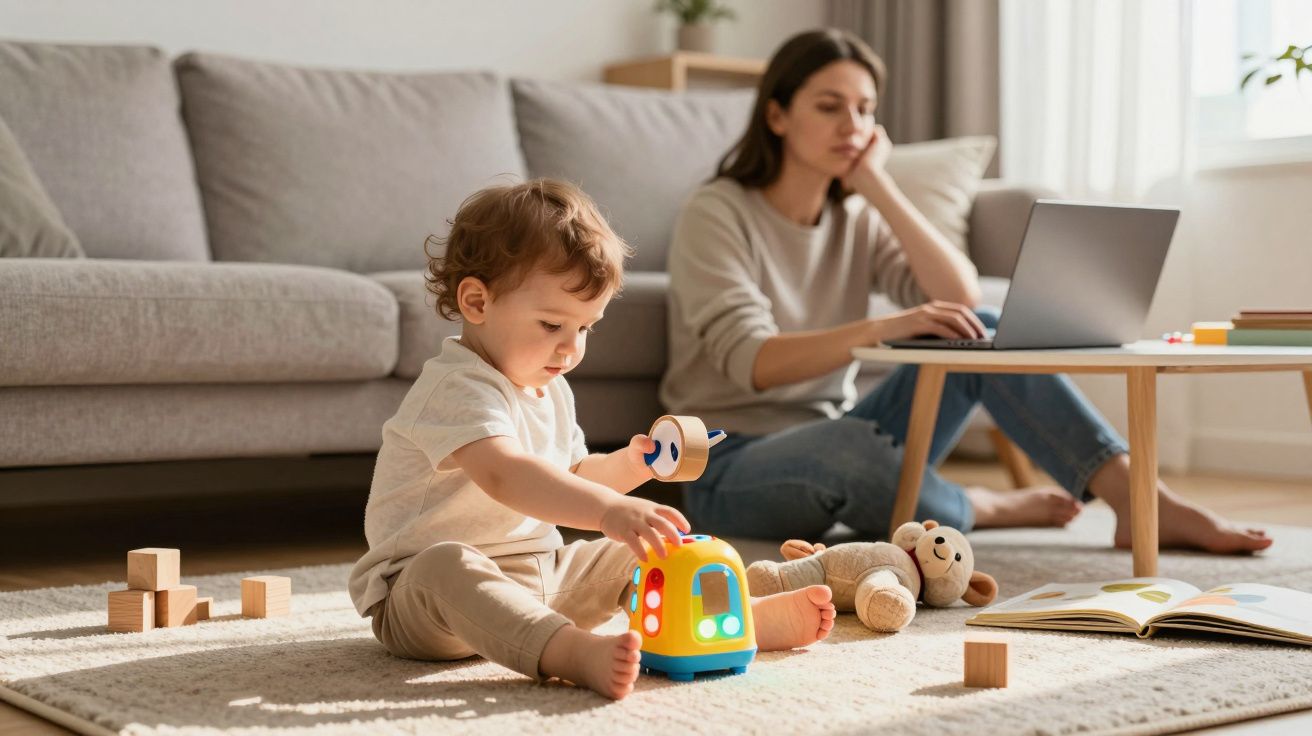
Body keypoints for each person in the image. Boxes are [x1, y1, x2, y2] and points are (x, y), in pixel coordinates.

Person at [661, 29, 1270, 555]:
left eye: (866, 110)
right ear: (777, 115)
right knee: (854, 454)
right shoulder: (715, 213)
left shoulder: (857, 216)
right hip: (727, 465)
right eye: (829, 107)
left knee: (975, 327)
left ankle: (1140, 500)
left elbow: (960, 293)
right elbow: (754, 363)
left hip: (845, 428)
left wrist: (878, 186)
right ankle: (980, 505)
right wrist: (878, 329)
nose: (853, 125)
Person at [348, 179, 836, 701]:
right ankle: (568, 652)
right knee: (447, 565)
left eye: (585, 329)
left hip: (541, 576)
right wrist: (607, 510)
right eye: (552, 323)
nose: (570, 348)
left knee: (642, 550)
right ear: (476, 301)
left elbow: (571, 478)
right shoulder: (456, 387)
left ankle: (736, 623)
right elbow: (505, 473)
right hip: (421, 600)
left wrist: (634, 466)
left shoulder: (549, 387)